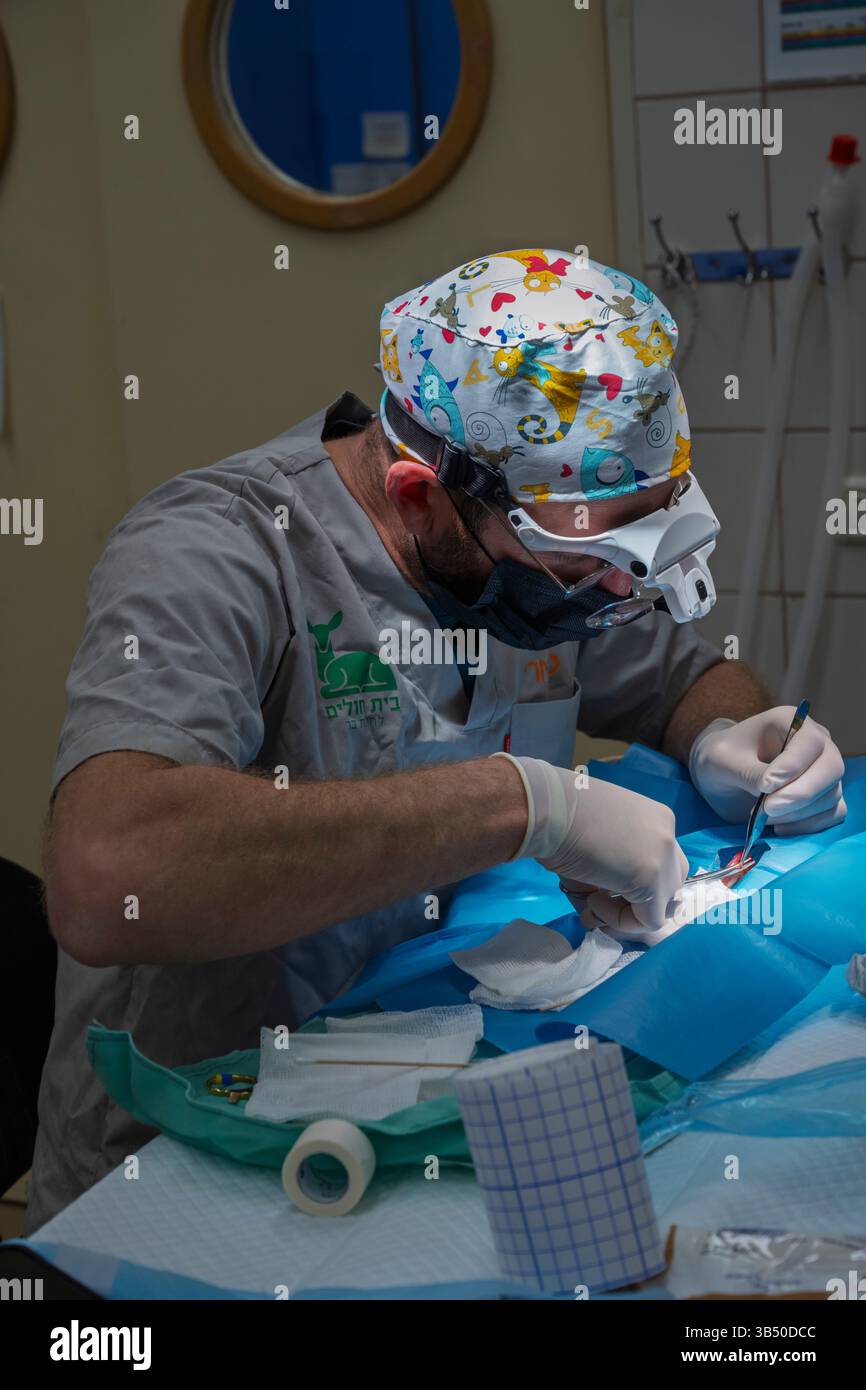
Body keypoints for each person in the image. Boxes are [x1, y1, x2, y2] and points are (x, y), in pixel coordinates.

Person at [26, 250, 845, 1231]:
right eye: (590, 564)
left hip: (416, 1110)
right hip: (195, 1156)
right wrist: (523, 807)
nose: (615, 594)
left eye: (636, 549)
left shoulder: (540, 559)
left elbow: (679, 677)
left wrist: (729, 731)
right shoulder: (217, 550)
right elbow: (107, 875)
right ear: (419, 495)